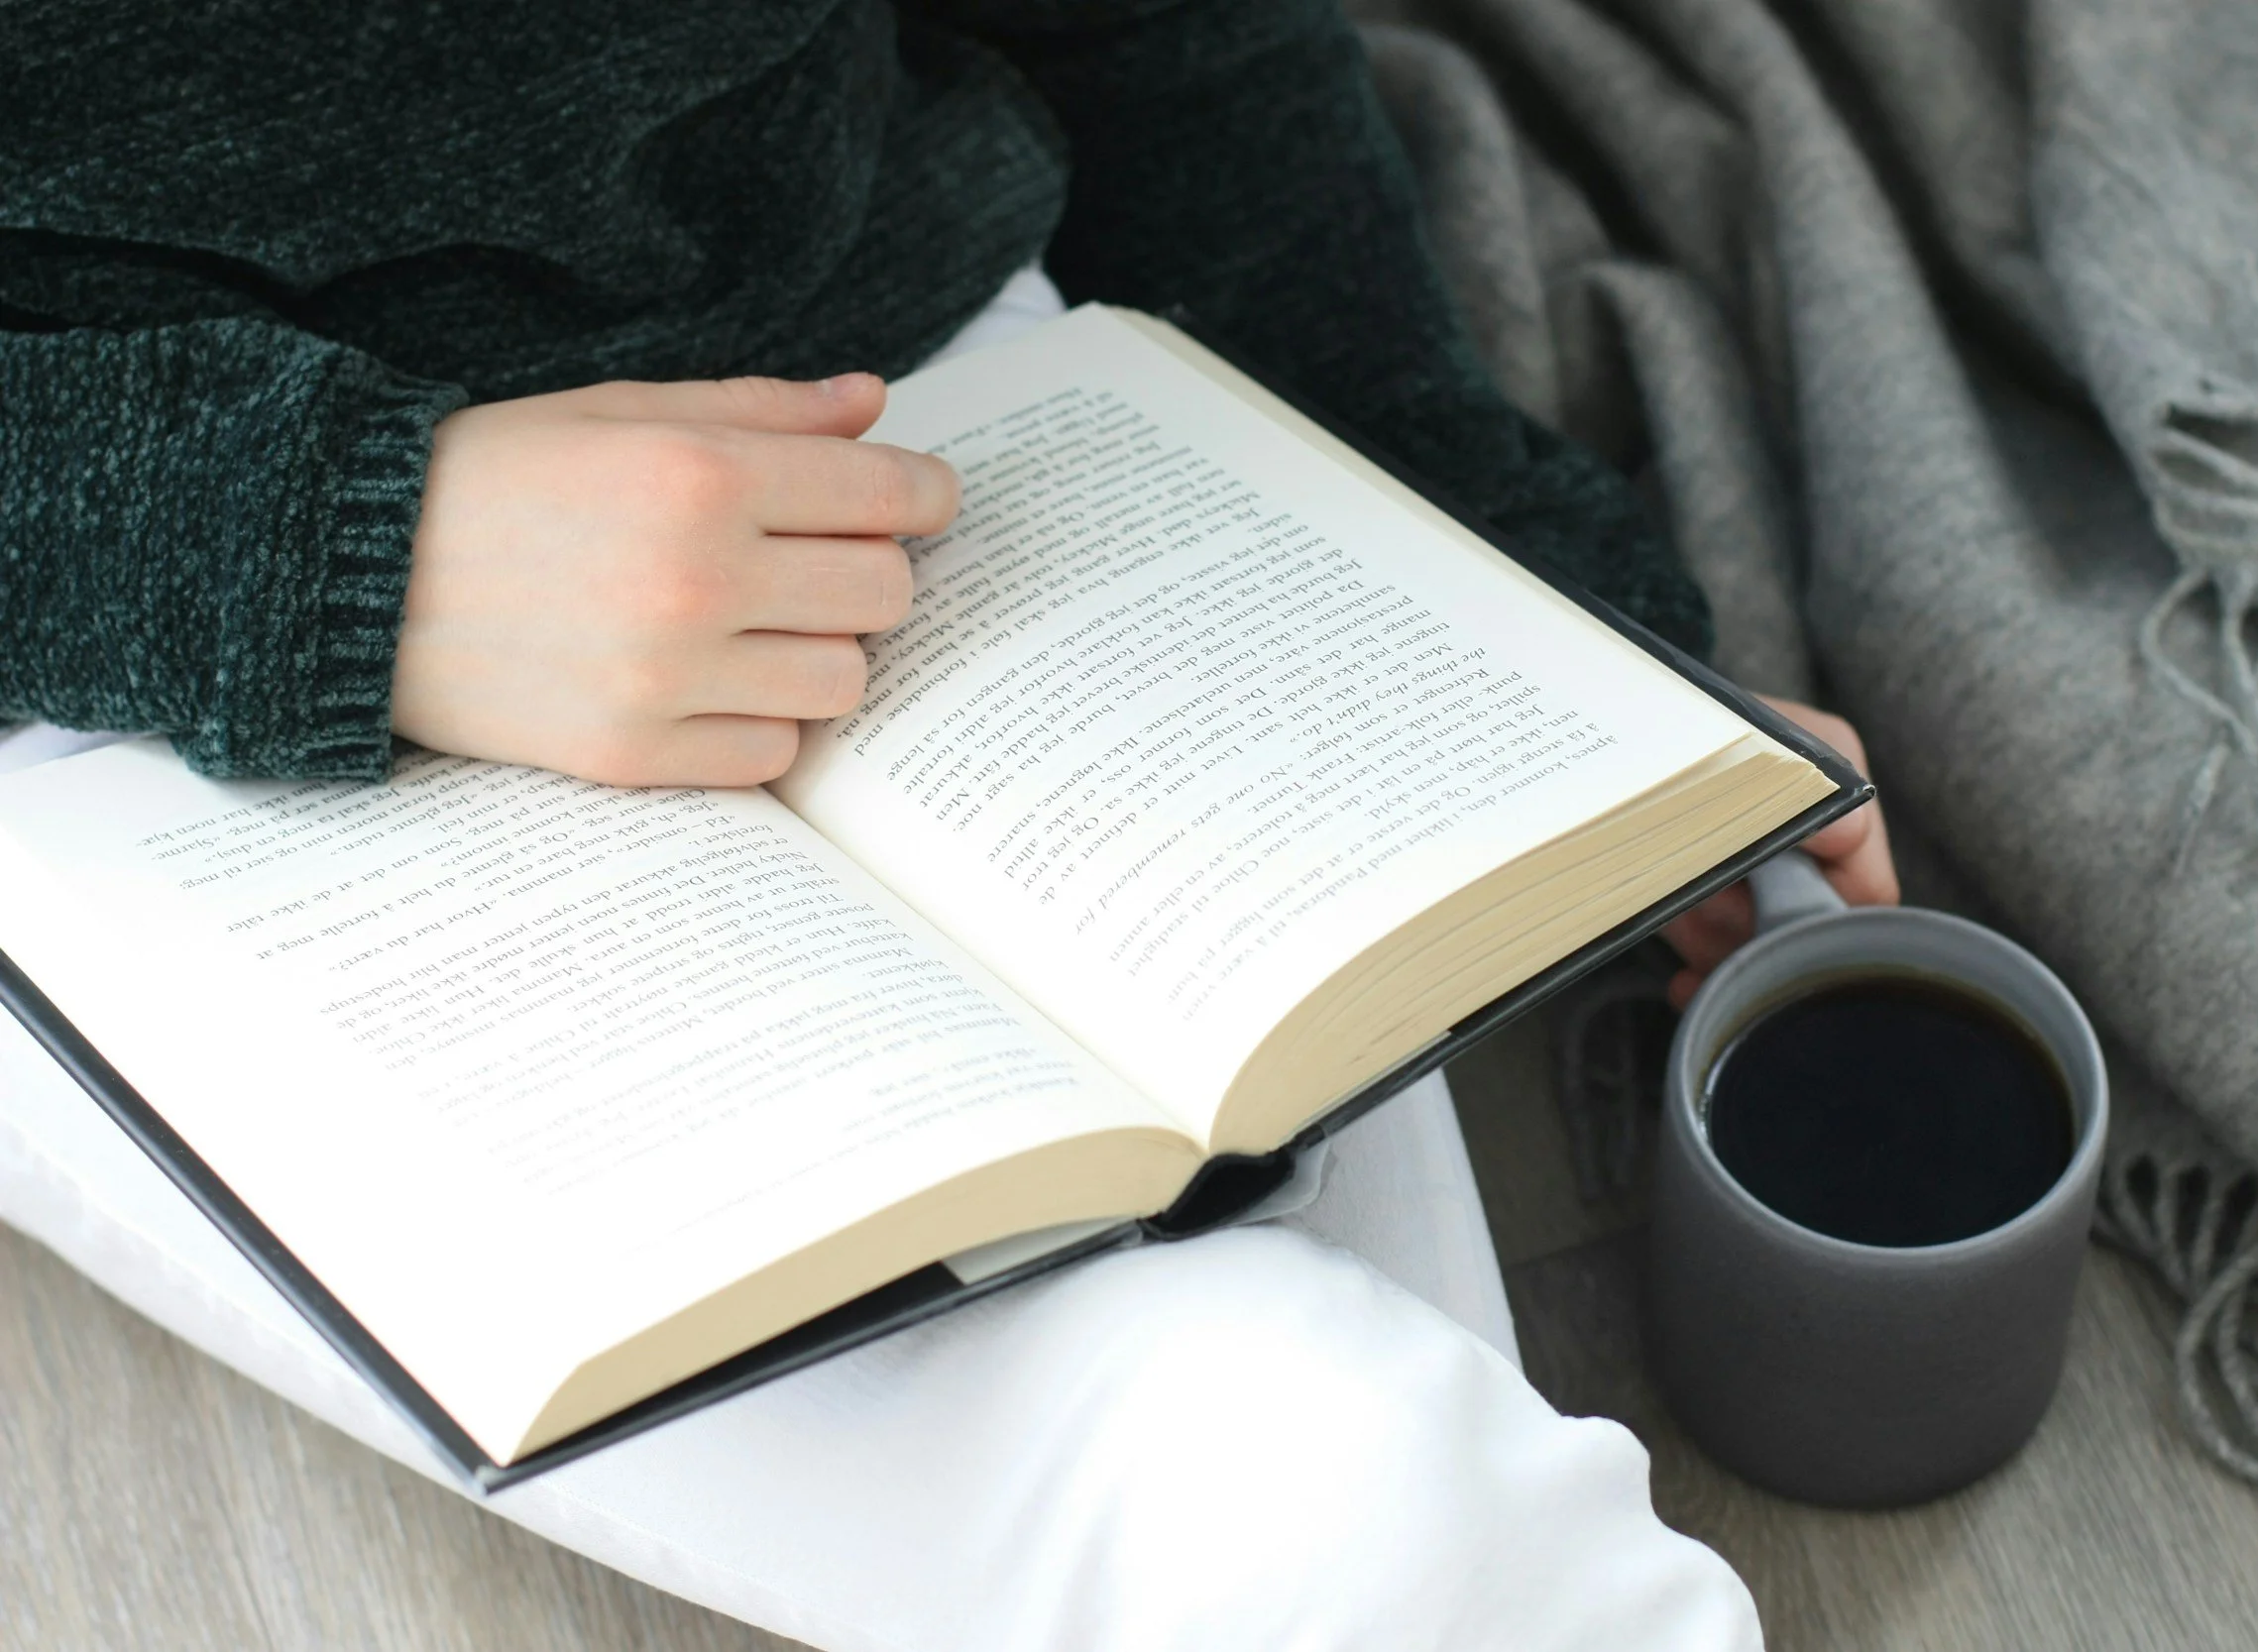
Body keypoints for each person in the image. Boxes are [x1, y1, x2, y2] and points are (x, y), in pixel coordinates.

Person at [1, 2, 1892, 1646]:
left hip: (953, 425)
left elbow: (1154, 34)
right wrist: (348, 549)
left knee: (1398, 1545)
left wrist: (1557, 637)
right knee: (1367, 1541)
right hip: (133, 676)